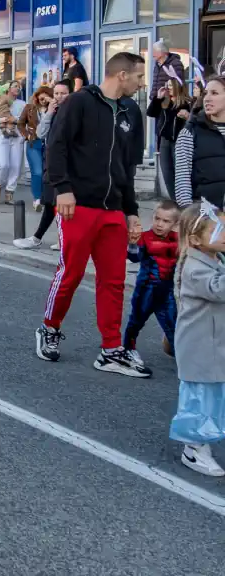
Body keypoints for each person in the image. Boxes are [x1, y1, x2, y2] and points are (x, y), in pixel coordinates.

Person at [36, 51, 146, 375]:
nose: (142, 83)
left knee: (113, 280)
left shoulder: (131, 112)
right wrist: (62, 188)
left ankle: (111, 349)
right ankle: (49, 328)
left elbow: (126, 168)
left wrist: (132, 212)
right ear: (122, 75)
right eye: (139, 77)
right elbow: (56, 145)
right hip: (78, 204)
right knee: (70, 273)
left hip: (113, 208)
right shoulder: (80, 102)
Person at [169, 202, 225, 477]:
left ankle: (206, 438)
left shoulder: (216, 258)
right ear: (194, 240)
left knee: (214, 395)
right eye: (219, 229)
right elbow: (219, 290)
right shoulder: (194, 267)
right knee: (200, 397)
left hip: (214, 343)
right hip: (199, 345)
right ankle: (194, 447)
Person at [13, 80, 72, 250]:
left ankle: (54, 239)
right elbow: (40, 133)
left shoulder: (73, 112)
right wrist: (49, 114)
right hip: (51, 161)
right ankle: (40, 238)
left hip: (65, 164)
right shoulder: (51, 112)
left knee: (58, 203)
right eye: (57, 94)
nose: (59, 97)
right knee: (49, 202)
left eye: (63, 93)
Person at [122, 200, 179, 366]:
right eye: (157, 218)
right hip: (145, 290)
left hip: (167, 292)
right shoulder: (145, 237)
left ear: (175, 224)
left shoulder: (179, 239)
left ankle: (184, 359)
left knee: (172, 326)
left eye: (166, 221)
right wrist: (132, 243)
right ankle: (127, 349)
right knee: (136, 322)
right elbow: (133, 257)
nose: (160, 224)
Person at [174, 75, 225, 209]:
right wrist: (191, 214)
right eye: (205, 93)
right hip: (206, 217)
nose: (207, 98)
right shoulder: (190, 132)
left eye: (214, 93)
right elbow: (182, 182)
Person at [149, 77, 192, 200]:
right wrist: (158, 97)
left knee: (179, 172)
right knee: (166, 172)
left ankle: (181, 201)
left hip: (178, 140)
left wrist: (187, 116)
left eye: (171, 85)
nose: (168, 88)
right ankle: (174, 200)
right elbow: (151, 113)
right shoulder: (164, 102)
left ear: (178, 87)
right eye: (167, 85)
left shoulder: (186, 103)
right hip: (164, 140)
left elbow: (193, 122)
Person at [18, 86, 55, 210]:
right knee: (37, 172)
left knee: (48, 172)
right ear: (37, 96)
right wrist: (27, 135)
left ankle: (46, 198)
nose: (43, 98)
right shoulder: (30, 108)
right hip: (34, 143)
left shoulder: (55, 109)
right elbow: (20, 124)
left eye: (46, 95)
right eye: (41, 95)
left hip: (50, 144)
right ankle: (37, 199)